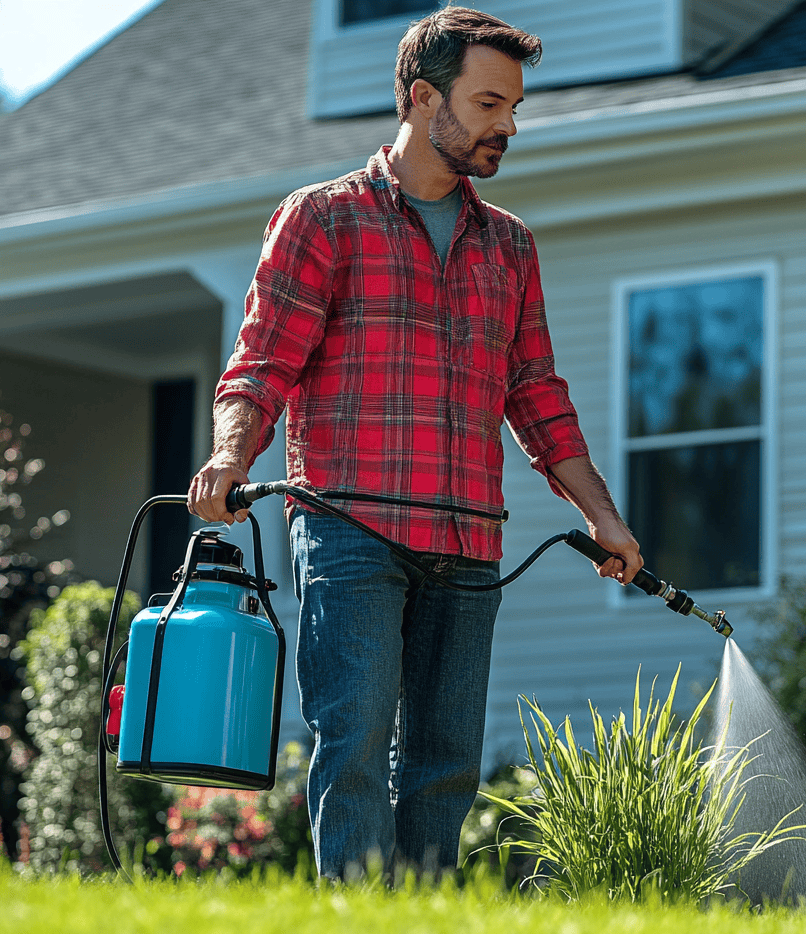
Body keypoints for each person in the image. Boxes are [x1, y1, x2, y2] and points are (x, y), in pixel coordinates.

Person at [188, 5, 642, 880]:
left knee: (445, 767)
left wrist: (605, 519)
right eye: (487, 104)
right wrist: (229, 460)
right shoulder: (325, 219)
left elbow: (537, 396)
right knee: (353, 746)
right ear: (421, 96)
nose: (507, 125)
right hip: (351, 531)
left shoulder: (508, 245)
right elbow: (260, 365)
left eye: (513, 107)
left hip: (471, 539)